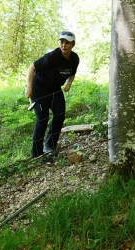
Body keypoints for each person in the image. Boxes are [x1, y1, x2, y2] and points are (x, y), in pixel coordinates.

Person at [25, 31, 79, 160]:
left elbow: (72, 73)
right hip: (39, 86)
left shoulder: (75, 59)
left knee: (60, 114)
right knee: (42, 119)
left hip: (55, 88)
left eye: (67, 43)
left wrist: (69, 84)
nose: (64, 45)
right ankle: (36, 154)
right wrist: (29, 87)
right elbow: (31, 67)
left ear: (72, 45)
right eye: (61, 42)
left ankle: (49, 146)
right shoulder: (53, 56)